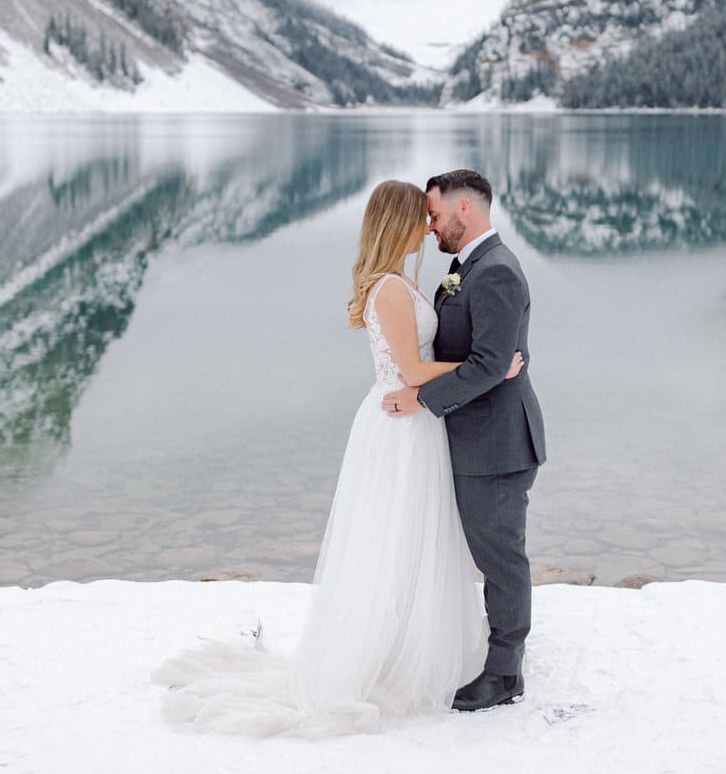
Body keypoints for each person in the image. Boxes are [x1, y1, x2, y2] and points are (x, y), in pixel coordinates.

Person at [155, 179, 524, 735]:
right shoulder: (393, 290)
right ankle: (389, 656)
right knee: (392, 540)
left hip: (414, 418)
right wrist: (494, 366)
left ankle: (427, 648)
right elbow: (413, 371)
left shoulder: (406, 280)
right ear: (397, 222)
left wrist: (471, 372)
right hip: (401, 421)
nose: (428, 225)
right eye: (419, 216)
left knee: (412, 540)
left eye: (432, 214)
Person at [381, 168, 546, 712]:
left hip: (497, 445)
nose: (429, 227)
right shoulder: (464, 269)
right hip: (471, 439)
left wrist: (421, 399)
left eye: (434, 215)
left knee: (500, 558)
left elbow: (490, 364)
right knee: (485, 552)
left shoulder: (496, 271)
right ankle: (490, 651)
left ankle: (504, 674)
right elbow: (487, 358)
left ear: (464, 210)